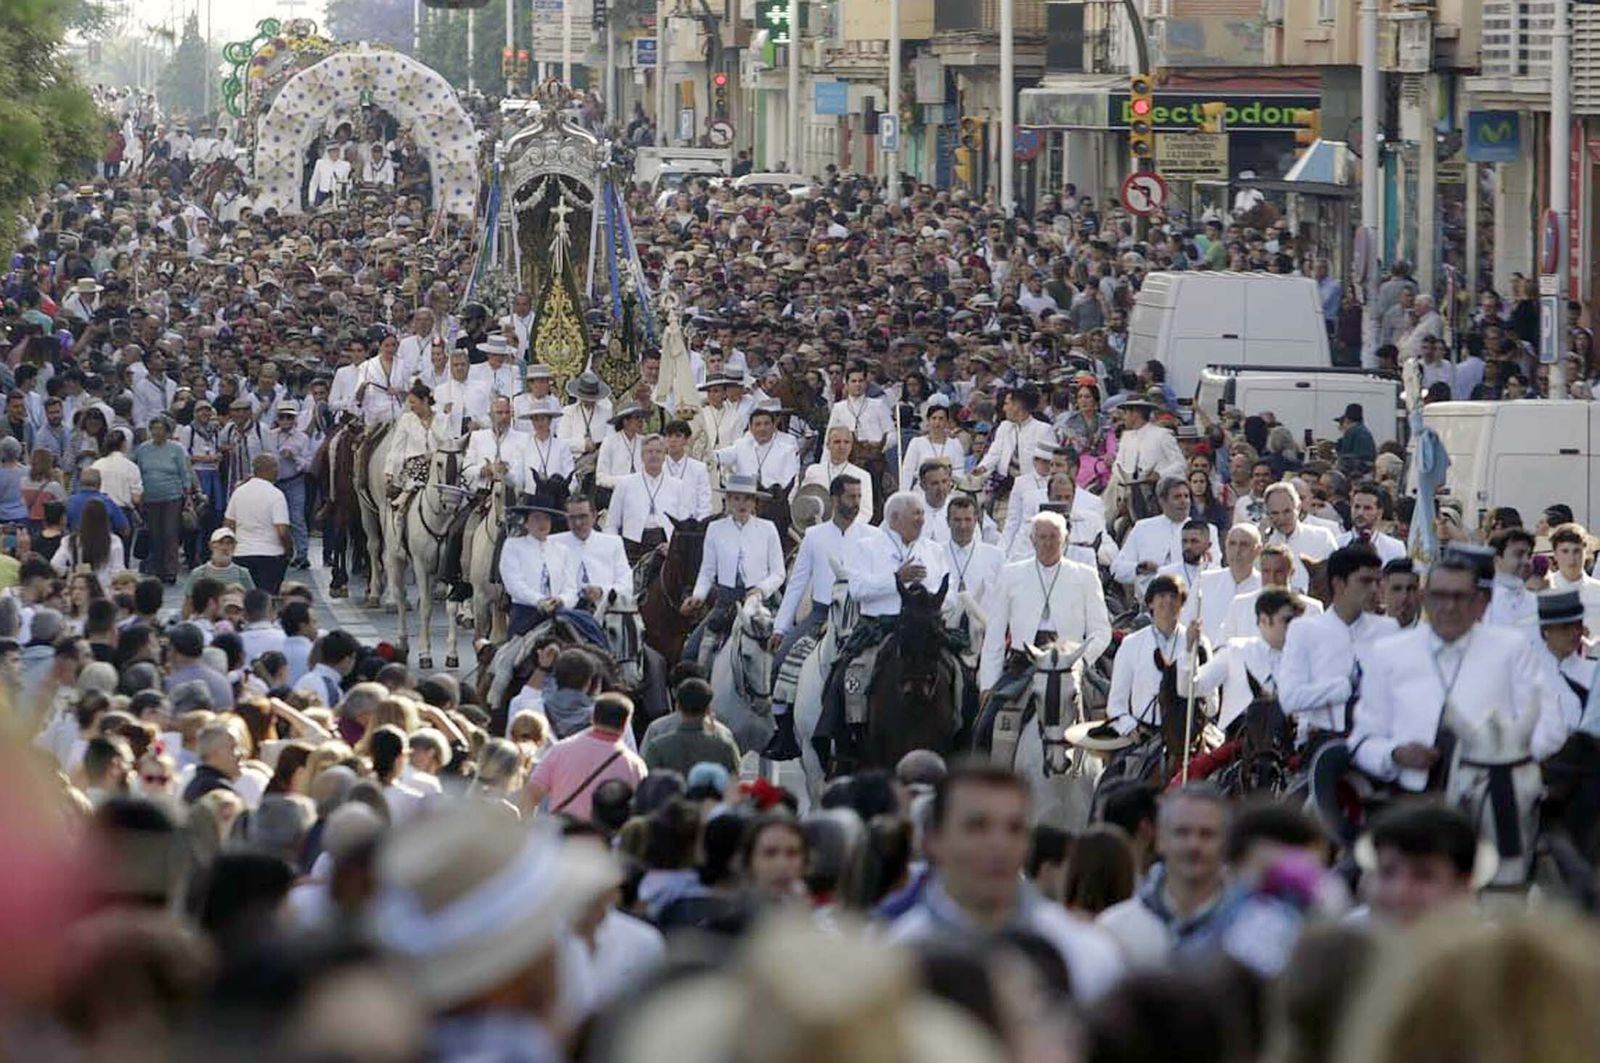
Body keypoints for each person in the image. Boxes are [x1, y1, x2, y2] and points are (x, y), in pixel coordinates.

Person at [887, 760, 1123, 1001]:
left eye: (1015, 828)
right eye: (977, 826)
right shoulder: (896, 958)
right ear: (933, 840)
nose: (999, 845)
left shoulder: (1083, 954)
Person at [1350, 548, 1569, 791]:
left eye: (1460, 596)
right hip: (1413, 800)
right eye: (1440, 596)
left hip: (1493, 794)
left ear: (1479, 602)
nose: (1449, 607)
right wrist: (1395, 754)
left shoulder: (1510, 649)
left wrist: (1505, 758)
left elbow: (1550, 726)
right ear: (1424, 599)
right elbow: (1363, 742)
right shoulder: (1389, 653)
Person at [978, 510, 1112, 697]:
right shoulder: (1011, 575)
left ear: (1064, 540)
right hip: (1023, 665)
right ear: (1033, 540)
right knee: (986, 722)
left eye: (1054, 537)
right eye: (1042, 537)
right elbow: (994, 634)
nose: (1048, 543)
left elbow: (1101, 631)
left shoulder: (1085, 575)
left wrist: (1080, 660)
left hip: (1070, 665)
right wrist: (988, 683)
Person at [1277, 546, 1396, 749]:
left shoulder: (1389, 630)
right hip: (1322, 744)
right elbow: (1289, 698)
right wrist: (1344, 688)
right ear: (1339, 584)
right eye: (1366, 581)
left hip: (1378, 744)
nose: (1375, 590)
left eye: (1378, 582)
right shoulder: (1305, 630)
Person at [1097, 786, 1229, 968]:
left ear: (1226, 843)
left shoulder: (1253, 931)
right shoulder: (1115, 929)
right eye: (1182, 833)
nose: (1193, 845)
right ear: (1160, 840)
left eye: (1207, 834)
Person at [681, 475, 785, 663]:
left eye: (747, 498)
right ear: (728, 501)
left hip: (759, 603)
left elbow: (778, 572)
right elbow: (707, 571)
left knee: (779, 653)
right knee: (691, 653)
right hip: (726, 602)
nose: (741, 504)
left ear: (755, 502)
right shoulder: (715, 529)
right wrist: (698, 596)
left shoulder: (768, 528)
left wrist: (761, 590)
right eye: (736, 498)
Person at [1179, 587, 1303, 733]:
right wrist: (1188, 650)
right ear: (1264, 620)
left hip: (1288, 741)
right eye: (1287, 621)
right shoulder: (1237, 650)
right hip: (1239, 740)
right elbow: (1189, 688)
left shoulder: (1305, 658)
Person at [523, 693, 648, 821]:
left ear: (593, 718)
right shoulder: (634, 765)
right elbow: (640, 810)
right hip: (603, 837)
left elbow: (531, 795)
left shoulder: (560, 750)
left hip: (562, 833)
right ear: (625, 724)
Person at [1112, 476, 1220, 600]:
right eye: (1177, 497)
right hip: (1150, 607)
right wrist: (1139, 568)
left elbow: (1215, 568)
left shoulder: (1207, 530)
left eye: (1186, 496)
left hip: (1194, 602)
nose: (1184, 501)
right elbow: (1117, 569)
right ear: (1162, 501)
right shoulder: (1142, 528)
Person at [500, 490, 579, 639]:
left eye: (546, 519)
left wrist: (562, 600)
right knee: (513, 657)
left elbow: (571, 588)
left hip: (559, 615)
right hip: (526, 615)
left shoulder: (562, 550)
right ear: (526, 522)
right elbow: (514, 584)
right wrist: (539, 601)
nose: (542, 524)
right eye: (537, 518)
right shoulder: (513, 546)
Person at [605, 435, 694, 565]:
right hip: (632, 545)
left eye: (658, 452)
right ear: (641, 456)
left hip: (666, 545)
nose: (654, 455)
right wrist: (616, 548)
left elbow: (686, 524)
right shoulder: (625, 484)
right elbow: (611, 524)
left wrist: (674, 545)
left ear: (665, 456)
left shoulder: (678, 486)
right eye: (649, 452)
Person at [130, 415, 194, 583]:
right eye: (154, 429)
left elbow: (184, 472)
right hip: (150, 497)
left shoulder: (176, 449)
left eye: (161, 429)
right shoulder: (143, 449)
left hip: (172, 496)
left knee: (170, 533)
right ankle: (157, 568)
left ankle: (171, 570)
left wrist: (187, 494)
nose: (157, 433)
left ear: (168, 431)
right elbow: (136, 470)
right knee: (155, 534)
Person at [639, 677, 741, 776]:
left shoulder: (657, 748)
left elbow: (647, 783)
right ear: (708, 709)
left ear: (678, 705)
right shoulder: (725, 747)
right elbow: (735, 781)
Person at [1181, 524, 1262, 646]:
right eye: (1232, 544)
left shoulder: (1265, 586)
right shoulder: (1205, 580)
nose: (1237, 550)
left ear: (1258, 550)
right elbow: (1186, 623)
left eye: (1244, 544)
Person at [223, 454, 292, 594]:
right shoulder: (276, 495)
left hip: (241, 554)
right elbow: (282, 530)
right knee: (266, 600)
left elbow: (228, 525)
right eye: (275, 467)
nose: (277, 471)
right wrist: (289, 550)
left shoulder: (239, 492)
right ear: (269, 469)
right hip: (270, 555)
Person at [553, 495, 633, 608]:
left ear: (594, 516)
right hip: (566, 613)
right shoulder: (553, 543)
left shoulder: (613, 543)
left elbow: (627, 585)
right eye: (572, 518)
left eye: (583, 517)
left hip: (605, 612)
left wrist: (602, 592)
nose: (578, 523)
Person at [801, 426, 874, 533]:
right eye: (837, 442)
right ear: (828, 445)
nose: (842, 446)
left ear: (851, 446)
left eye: (846, 442)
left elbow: (866, 511)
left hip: (849, 533)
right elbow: (803, 501)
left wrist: (845, 529)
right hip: (817, 530)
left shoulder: (862, 475)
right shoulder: (814, 471)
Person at [51, 497, 124, 590]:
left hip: (78, 589)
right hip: (104, 590)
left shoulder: (69, 540)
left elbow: (55, 564)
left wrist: (69, 572)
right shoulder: (113, 541)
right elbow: (118, 572)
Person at [1484, 526, 1539, 641]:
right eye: (1518, 554)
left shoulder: (1536, 601)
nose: (1526, 561)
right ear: (1496, 559)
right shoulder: (1482, 601)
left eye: (1529, 555)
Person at [1339, 481, 1407, 565]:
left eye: (1367, 508)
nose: (1360, 512)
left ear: (1379, 513)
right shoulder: (1337, 543)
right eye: (1357, 507)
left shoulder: (1395, 548)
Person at [184, 527, 255, 595]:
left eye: (229, 543)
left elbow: (251, 603)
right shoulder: (198, 574)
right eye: (220, 543)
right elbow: (189, 604)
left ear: (234, 546)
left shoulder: (243, 574)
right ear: (211, 545)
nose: (225, 547)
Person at [1333, 403, 1377, 475]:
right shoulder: (1364, 430)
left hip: (1355, 470)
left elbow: (1345, 455)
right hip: (1367, 470)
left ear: (1347, 419)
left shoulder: (1352, 431)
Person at [1380, 558, 1423, 629]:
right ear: (1382, 592)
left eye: (1411, 589)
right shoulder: (1369, 634)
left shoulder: (1432, 637)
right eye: (1397, 589)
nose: (1404, 597)